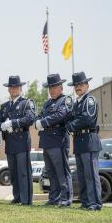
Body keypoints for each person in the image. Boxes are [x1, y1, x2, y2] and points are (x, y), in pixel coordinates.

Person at [0, 75, 35, 205]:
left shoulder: (26, 103)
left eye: (16, 87)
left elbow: (29, 119)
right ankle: (17, 197)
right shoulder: (5, 106)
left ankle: (26, 199)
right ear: (8, 89)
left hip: (22, 141)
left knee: (24, 172)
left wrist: (13, 123)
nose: (13, 89)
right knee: (13, 172)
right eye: (11, 87)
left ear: (20, 88)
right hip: (10, 142)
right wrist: (1, 126)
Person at [66, 72, 102, 211]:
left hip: (89, 140)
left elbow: (87, 118)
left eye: (81, 84)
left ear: (87, 85)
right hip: (79, 140)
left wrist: (70, 126)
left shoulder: (89, 100)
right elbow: (71, 118)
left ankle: (95, 203)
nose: (78, 87)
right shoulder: (77, 103)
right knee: (82, 174)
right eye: (76, 85)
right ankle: (86, 202)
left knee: (91, 174)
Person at [35, 73, 73, 207]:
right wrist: (37, 122)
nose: (52, 90)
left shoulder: (66, 100)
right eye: (50, 88)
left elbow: (61, 115)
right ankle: (54, 198)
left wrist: (43, 122)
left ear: (61, 88)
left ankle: (66, 198)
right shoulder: (46, 103)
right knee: (51, 172)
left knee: (61, 171)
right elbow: (38, 116)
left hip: (58, 140)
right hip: (46, 141)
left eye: (54, 87)